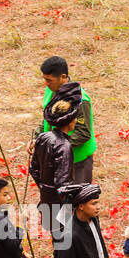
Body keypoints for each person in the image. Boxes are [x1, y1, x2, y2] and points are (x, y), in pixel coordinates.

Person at [30, 82, 82, 243]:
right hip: (60, 208)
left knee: (57, 242)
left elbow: (34, 169)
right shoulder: (64, 146)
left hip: (46, 201)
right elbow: (63, 185)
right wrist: (83, 192)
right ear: (69, 121)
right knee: (64, 246)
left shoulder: (43, 138)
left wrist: (45, 187)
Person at [40, 56, 96, 184]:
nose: (46, 84)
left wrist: (56, 147)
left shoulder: (81, 100)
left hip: (77, 161)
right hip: (57, 158)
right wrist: (39, 139)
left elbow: (83, 133)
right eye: (44, 79)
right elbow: (46, 118)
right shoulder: (50, 91)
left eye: (49, 80)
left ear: (63, 77)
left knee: (77, 201)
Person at [57, 183, 110, 258]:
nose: (98, 207)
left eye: (98, 203)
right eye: (94, 204)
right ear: (81, 206)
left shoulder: (94, 219)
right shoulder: (69, 235)